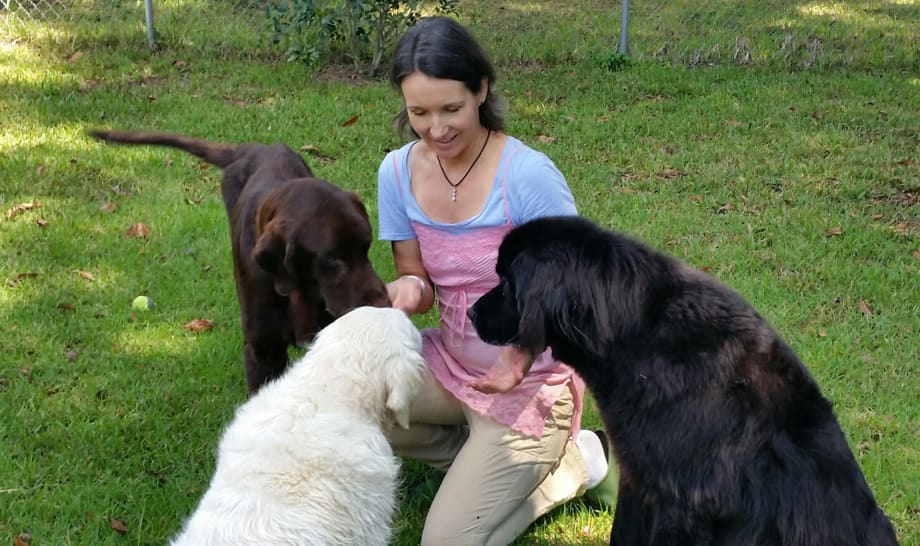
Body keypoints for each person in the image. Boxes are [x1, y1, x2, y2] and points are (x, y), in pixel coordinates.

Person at [377, 16, 617, 546]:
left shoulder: (526, 176)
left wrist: (520, 354)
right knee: (356, 395)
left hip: (530, 387)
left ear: (481, 90)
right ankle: (484, 469)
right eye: (419, 113)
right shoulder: (396, 172)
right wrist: (405, 292)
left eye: (451, 109)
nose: (436, 129)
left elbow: (578, 285)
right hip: (451, 367)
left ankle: (576, 462)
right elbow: (415, 276)